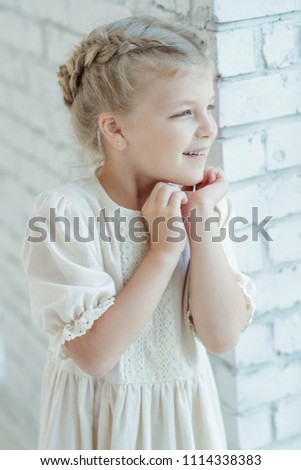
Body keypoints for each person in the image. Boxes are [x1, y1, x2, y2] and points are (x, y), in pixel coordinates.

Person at [21, 15, 256, 450]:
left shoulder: (204, 204)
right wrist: (162, 254)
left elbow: (221, 336)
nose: (208, 127)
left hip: (183, 422)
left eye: (210, 107)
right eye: (184, 112)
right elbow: (94, 356)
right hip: (100, 426)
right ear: (115, 129)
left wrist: (200, 225)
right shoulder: (68, 214)